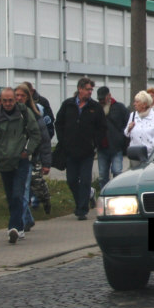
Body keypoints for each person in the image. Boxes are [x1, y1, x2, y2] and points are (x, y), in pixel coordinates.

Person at [55, 77, 106, 220]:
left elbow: (102, 127)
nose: (90, 92)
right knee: (71, 180)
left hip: (87, 152)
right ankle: (82, 200)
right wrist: (63, 140)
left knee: (84, 181)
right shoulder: (68, 105)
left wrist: (94, 142)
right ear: (80, 89)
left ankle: (82, 209)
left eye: (91, 90)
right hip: (70, 150)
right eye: (88, 89)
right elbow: (58, 123)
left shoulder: (95, 107)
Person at [0, 87, 42, 243]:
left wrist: (27, 151)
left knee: (18, 194)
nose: (8, 103)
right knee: (11, 197)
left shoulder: (24, 113)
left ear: (15, 100)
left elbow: (36, 134)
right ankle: (20, 227)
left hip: (21, 161)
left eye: (11, 100)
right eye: (5, 101)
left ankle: (13, 228)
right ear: (1, 101)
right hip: (4, 161)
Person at [14, 84, 53, 219]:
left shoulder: (35, 114)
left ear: (27, 97)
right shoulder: (10, 113)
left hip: (31, 156)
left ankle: (44, 199)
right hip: (13, 157)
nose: (19, 98)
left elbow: (44, 139)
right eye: (17, 95)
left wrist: (47, 163)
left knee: (33, 185)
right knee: (20, 190)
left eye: (22, 96)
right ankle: (26, 220)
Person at [96, 86, 129, 191]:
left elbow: (127, 124)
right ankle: (104, 194)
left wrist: (121, 139)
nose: (101, 101)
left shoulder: (119, 108)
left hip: (116, 147)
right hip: (102, 147)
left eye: (103, 98)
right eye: (99, 99)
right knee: (102, 176)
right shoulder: (97, 108)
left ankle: (117, 193)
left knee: (117, 172)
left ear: (109, 96)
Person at [124, 90, 154, 156]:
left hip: (150, 154)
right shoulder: (133, 115)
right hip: (135, 154)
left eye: (137, 102)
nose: (134, 104)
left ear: (144, 104)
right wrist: (129, 128)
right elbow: (126, 133)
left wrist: (151, 144)